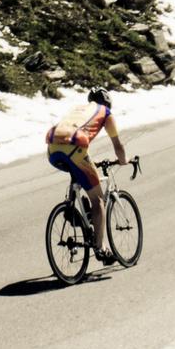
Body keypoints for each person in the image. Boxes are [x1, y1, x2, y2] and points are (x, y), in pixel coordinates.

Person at [45, 86, 128, 260]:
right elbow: (117, 144)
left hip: (52, 150)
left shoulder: (78, 109)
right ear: (107, 102)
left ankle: (74, 209)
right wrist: (123, 160)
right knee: (97, 200)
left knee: (78, 170)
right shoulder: (105, 112)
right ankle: (101, 248)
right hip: (75, 148)